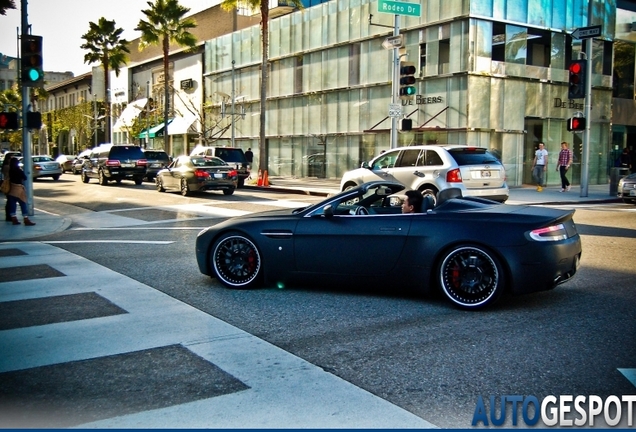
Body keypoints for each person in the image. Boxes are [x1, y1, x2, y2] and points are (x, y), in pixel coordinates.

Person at [7, 157, 35, 226]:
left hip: (11, 189)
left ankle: (14, 218)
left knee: (12, 205)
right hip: (19, 188)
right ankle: (26, 219)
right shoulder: (19, 171)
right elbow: (25, 178)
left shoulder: (10, 171)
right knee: (23, 203)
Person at [2, 153, 13, 221]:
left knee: (9, 200)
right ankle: (9, 215)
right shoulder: (7, 166)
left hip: (8, 183)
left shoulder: (6, 166)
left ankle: (9, 215)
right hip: (8, 184)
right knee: (9, 201)